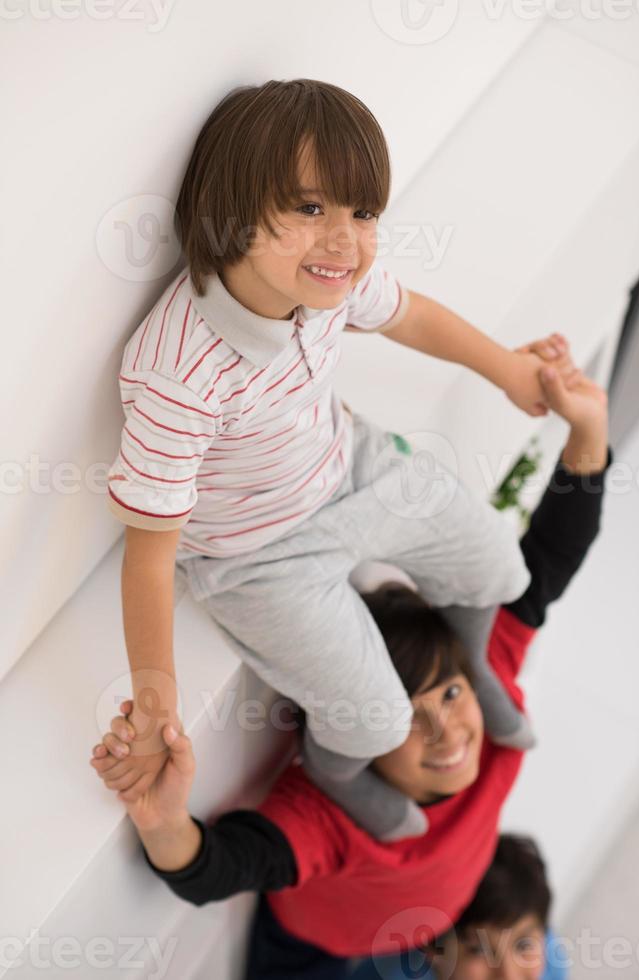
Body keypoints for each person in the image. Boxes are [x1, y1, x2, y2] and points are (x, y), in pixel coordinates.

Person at [103, 75, 577, 841]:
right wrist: (157, 704)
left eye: (363, 214)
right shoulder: (180, 369)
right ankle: (336, 771)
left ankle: (476, 663)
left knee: (497, 562)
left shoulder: (327, 283)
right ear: (231, 209)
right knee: (375, 720)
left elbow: (411, 314)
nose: (344, 241)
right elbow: (149, 558)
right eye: (309, 207)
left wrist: (508, 370)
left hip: (349, 467)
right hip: (257, 557)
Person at [90, 353, 610, 978]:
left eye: (447, 696)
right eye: (409, 718)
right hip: (318, 952)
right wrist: (163, 821)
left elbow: (549, 561)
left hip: (423, 923)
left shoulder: (487, 698)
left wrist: (588, 430)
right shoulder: (331, 817)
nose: (446, 732)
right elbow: (218, 870)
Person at [350, 834, 569, 979]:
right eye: (479, 950)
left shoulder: (549, 958)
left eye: (522, 945)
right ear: (431, 948)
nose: (509, 975)